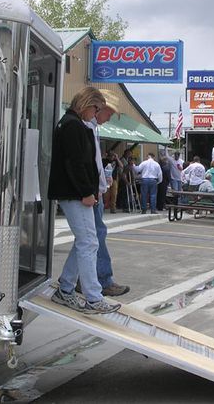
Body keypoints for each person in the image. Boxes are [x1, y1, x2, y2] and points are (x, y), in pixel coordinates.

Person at [48, 86, 120, 314]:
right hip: (75, 193)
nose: (96, 114)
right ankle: (92, 297)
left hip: (73, 192)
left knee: (85, 241)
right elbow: (75, 163)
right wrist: (86, 192)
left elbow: (77, 162)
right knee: (89, 242)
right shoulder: (73, 126)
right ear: (88, 104)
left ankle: (66, 288)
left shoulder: (71, 124)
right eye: (96, 109)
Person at [82, 90, 130, 297]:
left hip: (95, 191)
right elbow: (87, 164)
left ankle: (79, 279)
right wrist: (95, 189)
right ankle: (102, 279)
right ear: (98, 108)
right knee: (95, 237)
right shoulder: (86, 128)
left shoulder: (92, 128)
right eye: (109, 113)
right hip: (92, 193)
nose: (109, 118)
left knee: (88, 240)